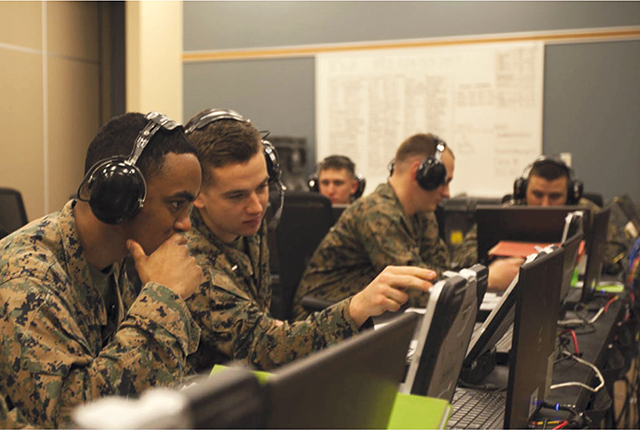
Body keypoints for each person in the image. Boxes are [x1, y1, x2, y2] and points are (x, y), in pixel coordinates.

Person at [182, 108, 435, 373]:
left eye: (262, 186)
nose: (256, 207)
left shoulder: (243, 223)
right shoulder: (192, 261)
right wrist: (357, 307)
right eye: (236, 196)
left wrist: (270, 329)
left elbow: (258, 330)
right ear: (196, 193)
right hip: (206, 401)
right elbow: (265, 349)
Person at [0, 112, 204, 428]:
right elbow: (72, 418)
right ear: (119, 198)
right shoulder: (28, 281)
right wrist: (163, 301)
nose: (186, 224)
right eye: (177, 204)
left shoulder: (115, 259)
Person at [293, 133, 522, 320]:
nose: (447, 193)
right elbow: (415, 289)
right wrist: (488, 278)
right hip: (322, 319)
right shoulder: (377, 212)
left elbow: (439, 270)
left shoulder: (423, 212)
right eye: (444, 182)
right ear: (420, 174)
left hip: (372, 318)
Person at [452, 155, 628, 274]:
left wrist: (576, 259)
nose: (545, 204)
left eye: (555, 196)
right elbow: (462, 256)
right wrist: (503, 261)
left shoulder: (587, 212)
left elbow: (617, 253)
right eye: (537, 194)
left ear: (570, 194)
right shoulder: (507, 212)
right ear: (522, 190)